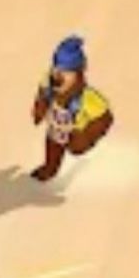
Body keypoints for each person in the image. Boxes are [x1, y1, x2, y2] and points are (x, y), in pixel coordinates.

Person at [31, 35, 113, 183]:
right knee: (52, 148)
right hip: (55, 128)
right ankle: (50, 169)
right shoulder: (49, 83)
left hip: (73, 132)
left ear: (79, 74)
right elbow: (42, 92)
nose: (58, 76)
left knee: (69, 146)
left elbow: (105, 118)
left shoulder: (88, 98)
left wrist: (86, 136)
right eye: (56, 69)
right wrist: (40, 107)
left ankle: (65, 156)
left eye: (67, 72)